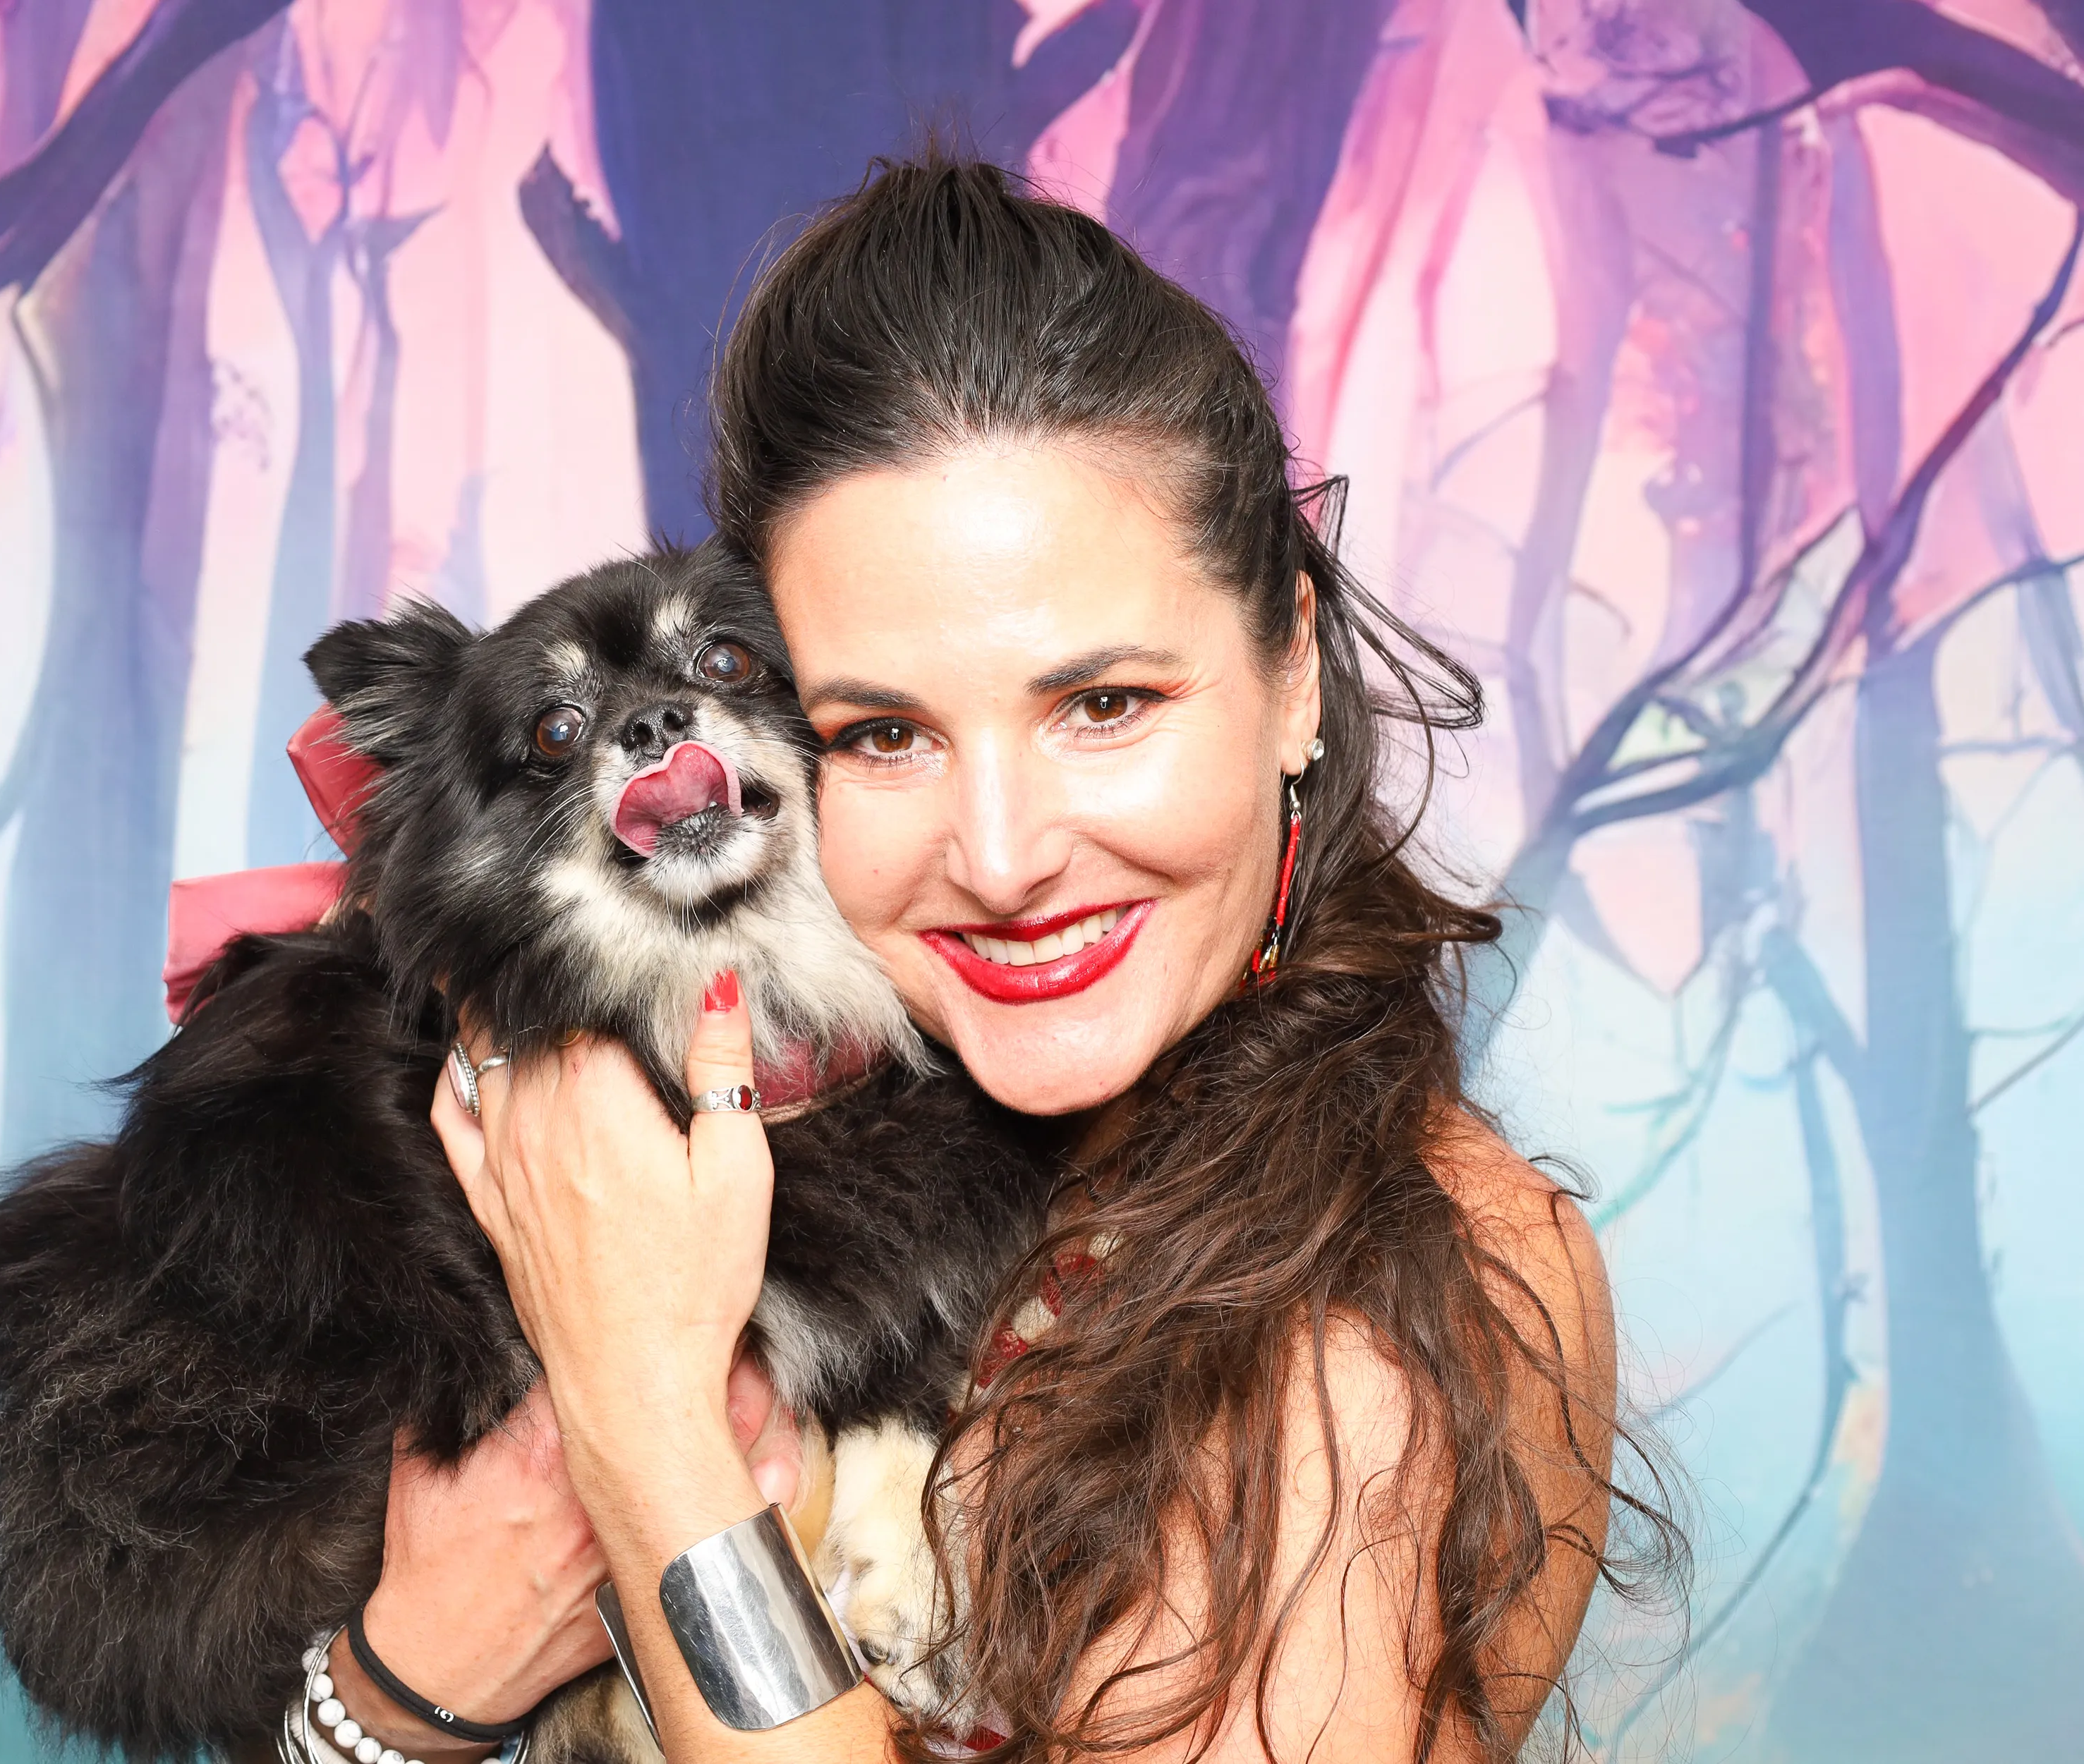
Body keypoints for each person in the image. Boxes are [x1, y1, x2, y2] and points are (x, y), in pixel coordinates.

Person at [305, 156, 1672, 1764]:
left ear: (1294, 668)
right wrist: (399, 1685)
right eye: (884, 733)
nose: (1006, 853)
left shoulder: (1380, 1299)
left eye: (1104, 704)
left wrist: (644, 1420)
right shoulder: (889, 1138)